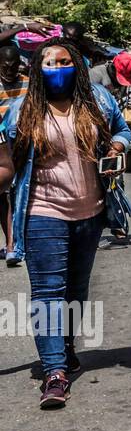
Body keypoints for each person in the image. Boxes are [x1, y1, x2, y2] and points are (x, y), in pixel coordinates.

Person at [0, 38, 131, 409]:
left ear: (77, 64)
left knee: (76, 289)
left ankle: (67, 346)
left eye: (64, 62)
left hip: (90, 213)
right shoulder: (20, 111)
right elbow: (7, 160)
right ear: (37, 70)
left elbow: (124, 131)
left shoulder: (99, 101)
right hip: (42, 212)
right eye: (49, 63)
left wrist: (117, 147)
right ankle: (54, 371)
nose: (57, 69)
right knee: (48, 294)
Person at [0, 44, 29, 267]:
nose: (9, 71)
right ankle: (11, 244)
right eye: (4, 67)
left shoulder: (28, 84)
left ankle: (14, 244)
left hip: (22, 146)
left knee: (18, 193)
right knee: (4, 196)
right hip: (1, 148)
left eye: (13, 66)